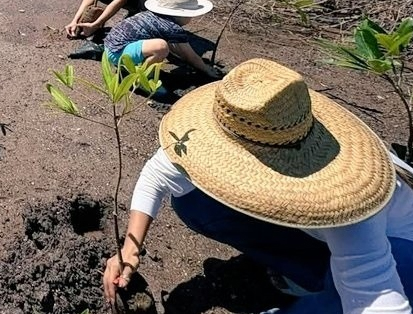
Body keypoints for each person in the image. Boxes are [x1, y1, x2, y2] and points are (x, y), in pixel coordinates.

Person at [103, 58, 413, 314]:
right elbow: (157, 174)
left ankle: (317, 280)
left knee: (334, 302)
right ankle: (300, 267)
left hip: (397, 247)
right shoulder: (246, 123)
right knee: (192, 201)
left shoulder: (346, 195)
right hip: (324, 233)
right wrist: (130, 249)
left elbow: (379, 300)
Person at [100, 0, 221, 80]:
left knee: (161, 45)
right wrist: (206, 69)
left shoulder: (150, 15)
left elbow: (178, 50)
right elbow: (189, 55)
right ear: (183, 14)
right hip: (117, 53)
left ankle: (130, 67)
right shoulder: (172, 28)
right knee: (161, 47)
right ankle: (143, 79)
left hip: (110, 47)